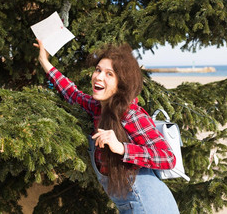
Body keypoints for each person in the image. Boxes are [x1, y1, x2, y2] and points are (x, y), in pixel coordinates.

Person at [33, 39, 180, 214]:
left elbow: (168, 158)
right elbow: (71, 92)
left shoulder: (131, 115)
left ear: (121, 83)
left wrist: (122, 148)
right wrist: (44, 60)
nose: (99, 76)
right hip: (132, 206)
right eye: (98, 70)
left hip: (152, 207)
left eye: (109, 74)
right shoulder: (98, 108)